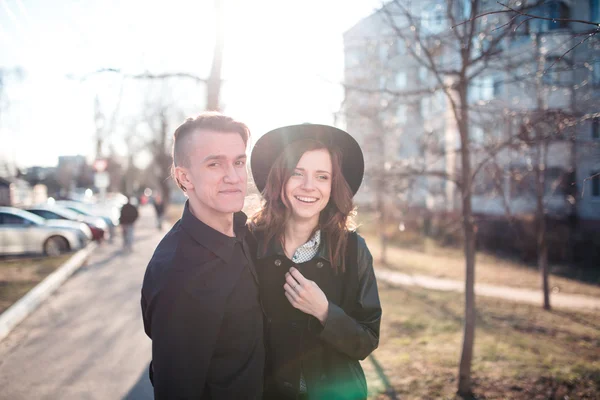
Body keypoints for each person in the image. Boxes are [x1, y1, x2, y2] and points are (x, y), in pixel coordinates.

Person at [249, 124, 382, 400]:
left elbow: (367, 340)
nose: (309, 186)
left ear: (333, 186)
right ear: (279, 178)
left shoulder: (353, 250)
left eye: (322, 176)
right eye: (297, 173)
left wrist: (324, 311)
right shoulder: (250, 243)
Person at [141, 112, 264, 399]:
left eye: (238, 162)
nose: (234, 177)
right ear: (184, 177)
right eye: (215, 164)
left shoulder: (245, 234)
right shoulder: (178, 276)